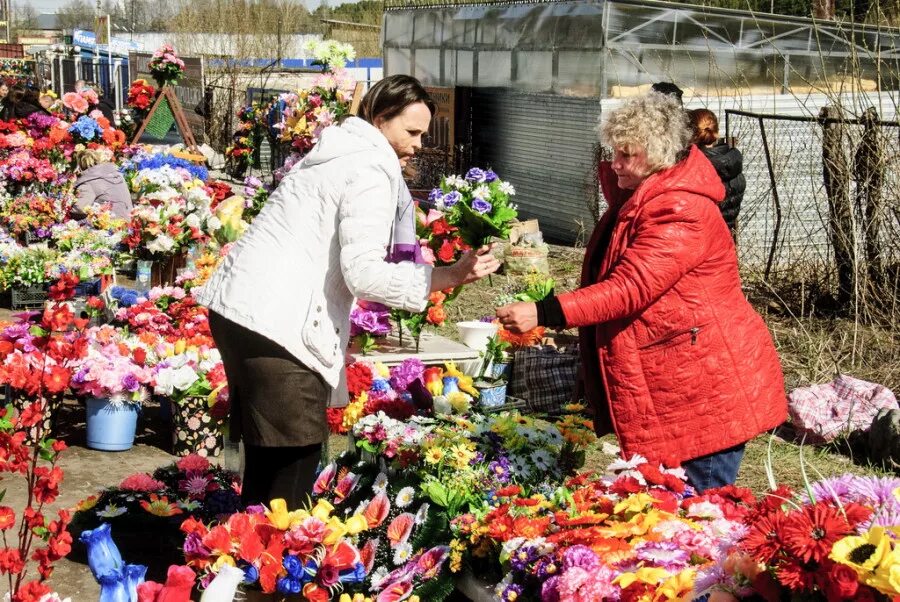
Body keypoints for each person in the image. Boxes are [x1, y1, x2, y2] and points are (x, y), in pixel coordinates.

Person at [195, 75, 500, 508]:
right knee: (292, 469)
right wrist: (448, 277)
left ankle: (242, 558)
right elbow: (365, 274)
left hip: (247, 311)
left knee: (268, 462)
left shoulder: (339, 151)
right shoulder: (371, 167)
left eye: (422, 134)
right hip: (278, 323)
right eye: (410, 132)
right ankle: (269, 563)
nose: (417, 144)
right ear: (380, 119)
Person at [496, 92, 786, 493]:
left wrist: (543, 312)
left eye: (626, 154)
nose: (614, 163)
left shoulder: (679, 209)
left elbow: (629, 288)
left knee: (701, 514)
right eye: (613, 152)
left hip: (703, 386)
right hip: (678, 377)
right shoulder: (642, 198)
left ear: (660, 155)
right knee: (667, 516)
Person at [689, 108, 746, 238]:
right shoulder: (733, 164)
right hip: (724, 235)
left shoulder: (693, 167)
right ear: (716, 132)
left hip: (699, 238)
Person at [71, 148, 133, 219]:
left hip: (110, 223)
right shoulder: (116, 174)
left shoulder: (88, 182)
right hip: (129, 219)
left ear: (79, 166)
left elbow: (80, 208)